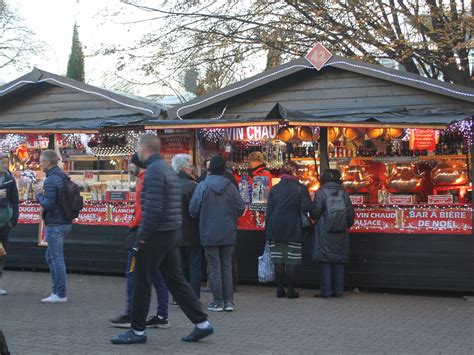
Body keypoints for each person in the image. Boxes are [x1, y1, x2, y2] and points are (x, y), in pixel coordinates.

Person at [111, 134, 213, 345]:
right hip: (171, 232)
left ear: (143, 149)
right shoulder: (167, 169)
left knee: (142, 281)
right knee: (175, 280)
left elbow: (152, 209)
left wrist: (141, 239)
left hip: (156, 234)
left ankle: (137, 331)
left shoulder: (153, 172)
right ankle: (202, 324)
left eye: (138, 149)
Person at [110, 153, 170, 329]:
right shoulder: (157, 178)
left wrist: (134, 228)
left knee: (132, 274)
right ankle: (162, 315)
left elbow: (143, 209)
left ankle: (131, 314)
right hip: (160, 233)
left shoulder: (145, 181)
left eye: (131, 164)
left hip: (144, 233)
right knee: (160, 276)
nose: (129, 167)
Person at [189, 156, 244, 312]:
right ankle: (229, 302)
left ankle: (217, 302)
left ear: (210, 168)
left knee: (214, 267)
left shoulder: (203, 186)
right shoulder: (230, 186)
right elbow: (240, 207)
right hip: (228, 231)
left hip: (208, 231)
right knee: (226, 266)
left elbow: (193, 209)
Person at [265, 161, 311, 299]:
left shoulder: (275, 189)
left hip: (275, 226)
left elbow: (269, 211)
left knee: (278, 259)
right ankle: (290, 290)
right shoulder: (300, 188)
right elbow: (307, 207)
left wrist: (268, 232)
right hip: (293, 226)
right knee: (291, 259)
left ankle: (279, 289)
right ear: (295, 172)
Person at [311, 169, 355, 298]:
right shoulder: (344, 194)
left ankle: (326, 291)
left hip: (324, 231)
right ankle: (338, 291)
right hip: (341, 232)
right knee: (338, 260)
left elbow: (315, 213)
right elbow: (350, 215)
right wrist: (343, 226)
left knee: (325, 260)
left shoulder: (321, 192)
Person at [36, 150, 72, 303]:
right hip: (64, 221)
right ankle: (57, 291)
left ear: (48, 163)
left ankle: (60, 293)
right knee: (50, 256)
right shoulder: (63, 176)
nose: (40, 164)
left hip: (55, 223)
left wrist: (38, 195)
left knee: (56, 258)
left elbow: (48, 204)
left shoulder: (51, 180)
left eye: (42, 162)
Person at [172, 154, 201, 300]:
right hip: (192, 232)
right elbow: (197, 210)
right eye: (190, 166)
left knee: (180, 267)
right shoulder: (193, 186)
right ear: (184, 168)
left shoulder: (170, 184)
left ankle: (180, 297)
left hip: (175, 232)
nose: (192, 169)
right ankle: (193, 296)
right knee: (194, 266)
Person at [0, 154, 19, 296]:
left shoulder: (10, 179)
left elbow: (15, 201)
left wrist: (13, 220)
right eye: (2, 162)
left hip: (4, 222)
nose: (5, 165)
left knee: (1, 253)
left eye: (7, 162)